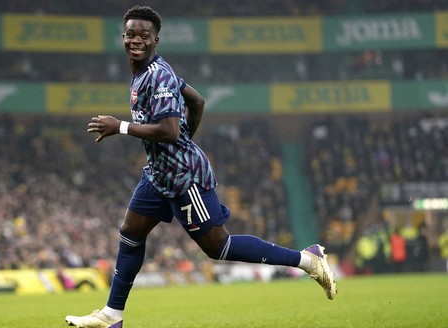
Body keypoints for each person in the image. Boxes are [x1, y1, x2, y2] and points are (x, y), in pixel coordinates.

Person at [65, 6, 337, 328]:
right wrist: (183, 141)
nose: (136, 40)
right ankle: (112, 316)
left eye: (144, 35)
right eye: (131, 34)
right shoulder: (145, 72)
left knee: (218, 247)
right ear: (123, 37)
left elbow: (167, 130)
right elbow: (197, 102)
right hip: (158, 174)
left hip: (184, 179)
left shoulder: (158, 75)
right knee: (130, 233)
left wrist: (121, 127)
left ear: (155, 40)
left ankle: (309, 260)